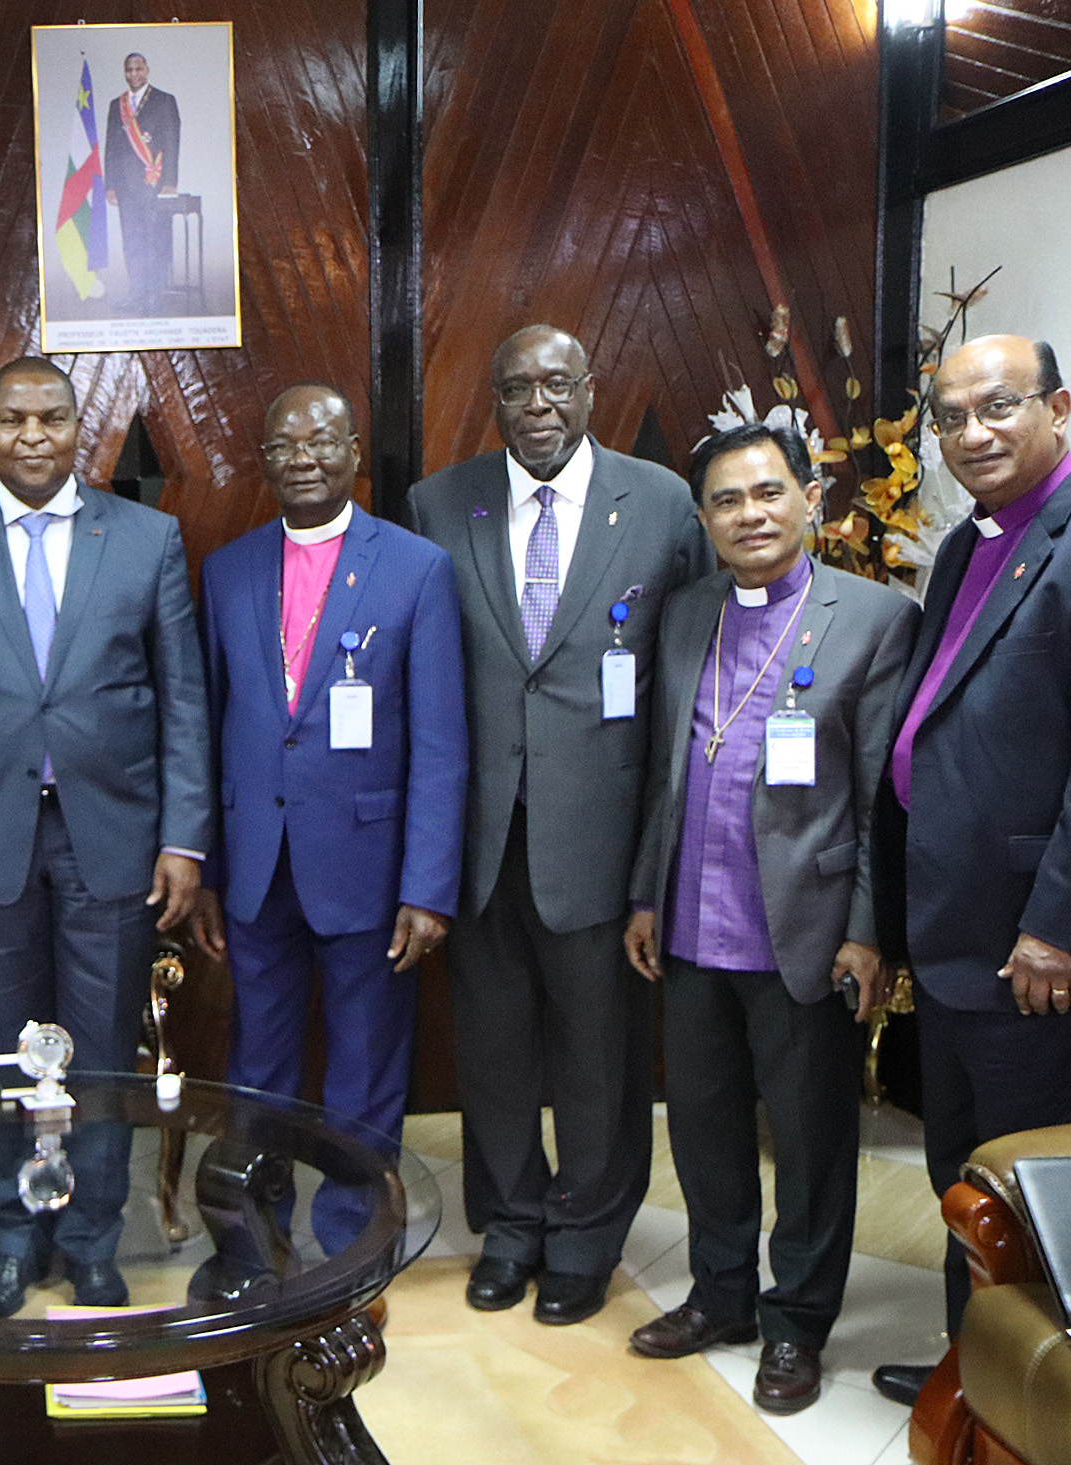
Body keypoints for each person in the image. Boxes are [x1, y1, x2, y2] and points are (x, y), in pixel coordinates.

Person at [867, 336, 1071, 1407]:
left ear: (1059, 407)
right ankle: (975, 1375)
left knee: (1044, 1188)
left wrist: (1062, 927)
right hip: (961, 942)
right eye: (950, 417)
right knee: (971, 1177)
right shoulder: (968, 546)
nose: (972, 434)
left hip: (1041, 952)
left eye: (999, 407)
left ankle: (1058, 1407)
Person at [0, 356, 210, 1316]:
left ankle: (95, 1238)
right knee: (3, 1051)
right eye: (14, 419)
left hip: (113, 836)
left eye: (53, 419)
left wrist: (183, 836)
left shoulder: (145, 538)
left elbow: (185, 701)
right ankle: (16, 1238)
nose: (34, 436)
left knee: (100, 1052)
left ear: (80, 429)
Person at [406, 324, 709, 1326]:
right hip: (480, 836)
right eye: (516, 387)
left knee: (599, 1056)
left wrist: (661, 858)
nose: (538, 404)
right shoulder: (439, 502)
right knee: (491, 1050)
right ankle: (513, 1225)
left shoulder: (661, 501)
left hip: (603, 832)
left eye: (557, 384)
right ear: (493, 399)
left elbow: (687, 674)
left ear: (590, 388)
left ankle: (584, 1235)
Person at [622, 424, 918, 1414]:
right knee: (703, 1131)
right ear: (703, 518)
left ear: (808, 499)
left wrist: (870, 929)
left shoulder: (873, 618)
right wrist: (643, 895)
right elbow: (665, 772)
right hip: (692, 928)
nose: (748, 514)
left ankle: (797, 1323)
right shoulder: (687, 611)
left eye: (766, 493)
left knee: (811, 1142)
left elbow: (883, 794)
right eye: (725, 499)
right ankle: (721, 1297)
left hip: (807, 928)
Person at [189, 383, 466, 1261]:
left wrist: (428, 886)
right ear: (264, 461)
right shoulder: (227, 569)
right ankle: (251, 1240)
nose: (302, 456)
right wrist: (206, 867)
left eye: (321, 441)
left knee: (364, 1070)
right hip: (257, 864)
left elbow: (441, 742)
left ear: (354, 452)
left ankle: (351, 1244)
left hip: (370, 867)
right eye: (283, 443)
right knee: (256, 1067)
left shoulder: (416, 567)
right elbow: (206, 725)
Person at [103, 51, 181, 310]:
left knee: (155, 239)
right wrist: (111, 185)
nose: (133, 74)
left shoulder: (164, 100)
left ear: (146, 69)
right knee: (132, 240)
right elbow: (111, 147)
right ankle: (136, 292)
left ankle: (155, 295)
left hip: (154, 182)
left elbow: (171, 142)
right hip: (125, 186)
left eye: (138, 69)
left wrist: (170, 181)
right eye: (129, 70)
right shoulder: (118, 105)